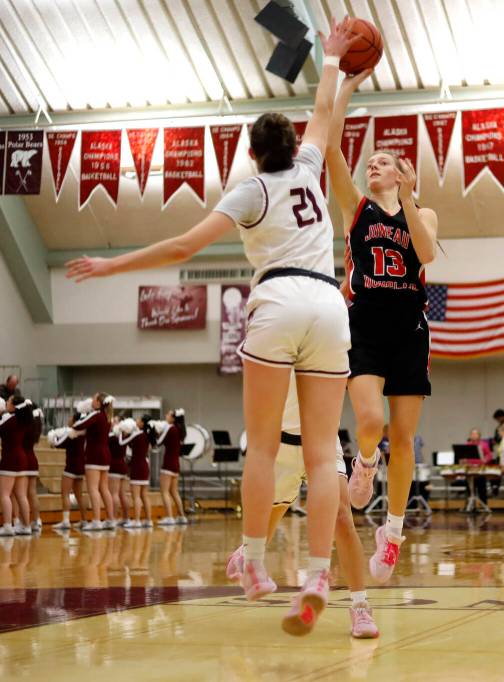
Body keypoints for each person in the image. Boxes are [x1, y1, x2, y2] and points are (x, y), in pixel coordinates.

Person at [65, 17, 359, 636]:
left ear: (252, 152)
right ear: (291, 144)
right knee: (324, 453)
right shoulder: (311, 165)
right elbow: (325, 113)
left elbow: (180, 248)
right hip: (330, 304)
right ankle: (317, 574)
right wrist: (333, 59)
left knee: (262, 443)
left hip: (278, 299)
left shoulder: (249, 190)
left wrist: (111, 264)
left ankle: (253, 563)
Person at [325, 64, 439, 584]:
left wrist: (412, 199)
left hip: (410, 330)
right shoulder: (358, 208)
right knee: (369, 422)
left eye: (383, 162)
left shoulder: (422, 211)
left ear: (400, 173)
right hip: (365, 323)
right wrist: (346, 87)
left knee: (406, 436)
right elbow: (329, 148)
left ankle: (391, 534)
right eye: (369, 162)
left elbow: (427, 254)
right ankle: (364, 462)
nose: (373, 166)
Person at [225, 375, 378, 638]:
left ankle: (360, 606)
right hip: (280, 442)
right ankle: (249, 551)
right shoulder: (274, 337)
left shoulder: (337, 338)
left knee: (342, 518)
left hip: (324, 438)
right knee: (273, 511)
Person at [73, 393, 117, 531]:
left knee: (93, 488)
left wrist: (82, 414)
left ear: (98, 402)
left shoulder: (96, 414)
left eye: (93, 398)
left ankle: (97, 520)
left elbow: (78, 425)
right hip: (105, 454)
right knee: (104, 488)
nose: (91, 400)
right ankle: (110, 520)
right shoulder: (106, 417)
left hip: (94, 455)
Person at [50, 409, 90, 530]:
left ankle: (66, 521)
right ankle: (84, 520)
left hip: (71, 466)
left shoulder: (72, 433)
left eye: (70, 418)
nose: (68, 420)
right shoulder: (85, 433)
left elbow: (58, 444)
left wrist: (52, 438)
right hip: (81, 466)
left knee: (65, 493)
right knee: (79, 495)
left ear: (75, 421)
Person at [0, 396, 32, 536]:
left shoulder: (10, 420)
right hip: (22, 459)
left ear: (14, 406)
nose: (6, 402)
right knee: (21, 495)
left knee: (4, 494)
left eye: (9, 401)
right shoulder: (23, 420)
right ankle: (26, 526)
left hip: (10, 459)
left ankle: (7, 526)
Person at [155, 409, 187, 526]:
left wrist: (154, 433)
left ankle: (169, 517)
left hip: (168, 463)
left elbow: (159, 442)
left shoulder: (170, 428)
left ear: (173, 418)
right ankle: (181, 516)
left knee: (164, 491)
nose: (165, 415)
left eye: (168, 414)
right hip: (176, 464)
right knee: (174, 491)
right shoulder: (180, 430)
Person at [119, 417, 153, 529]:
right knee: (144, 495)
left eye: (138, 420)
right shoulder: (148, 436)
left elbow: (121, 442)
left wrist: (120, 431)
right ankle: (148, 520)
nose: (136, 421)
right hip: (145, 465)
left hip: (137, 466)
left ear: (143, 424)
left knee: (136, 496)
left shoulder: (137, 434)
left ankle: (137, 521)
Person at [108, 416, 131, 525]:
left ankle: (113, 518)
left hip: (114, 466)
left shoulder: (113, 437)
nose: (113, 422)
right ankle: (126, 518)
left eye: (115, 421)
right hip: (123, 465)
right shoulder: (124, 436)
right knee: (122, 494)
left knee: (114, 494)